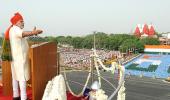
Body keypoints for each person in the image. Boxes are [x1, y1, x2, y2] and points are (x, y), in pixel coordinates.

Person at [5, 12, 43, 100]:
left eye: (23, 21)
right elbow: (24, 34)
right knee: (22, 78)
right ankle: (23, 98)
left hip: (15, 59)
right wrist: (33, 32)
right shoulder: (16, 29)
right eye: (21, 21)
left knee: (15, 77)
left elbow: (22, 37)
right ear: (16, 22)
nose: (23, 23)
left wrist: (33, 33)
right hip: (20, 59)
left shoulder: (12, 29)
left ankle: (16, 96)